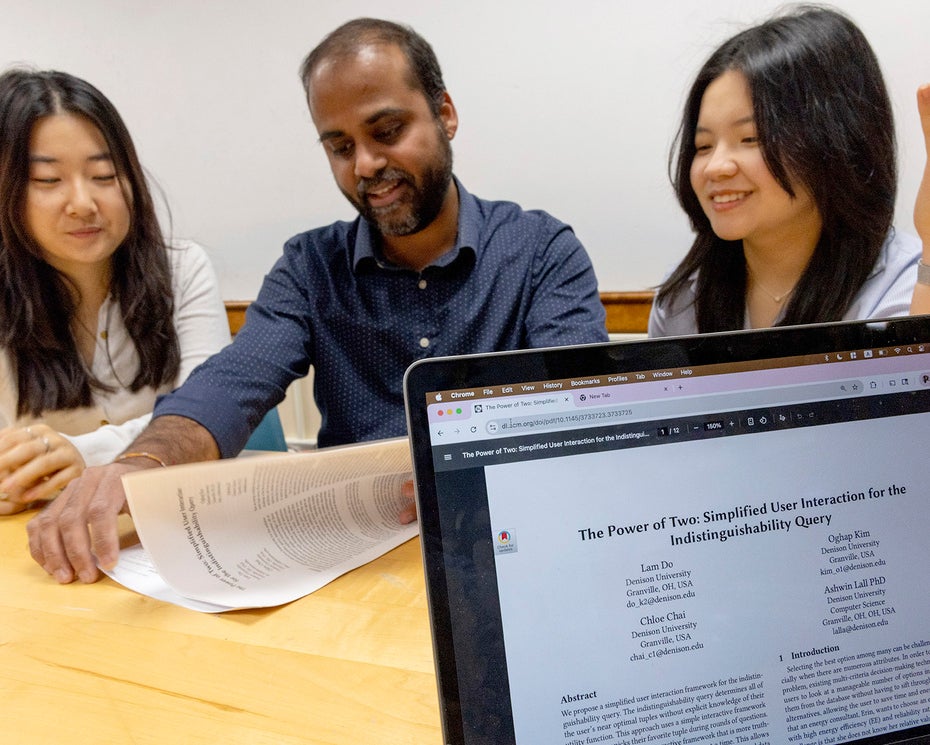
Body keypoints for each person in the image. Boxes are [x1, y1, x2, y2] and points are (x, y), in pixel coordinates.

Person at [27, 18, 608, 583]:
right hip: (356, 563)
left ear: (445, 114)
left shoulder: (539, 252)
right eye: (339, 146)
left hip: (506, 553)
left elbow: (575, 415)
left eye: (387, 132)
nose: (366, 165)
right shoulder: (310, 268)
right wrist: (141, 465)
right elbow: (230, 383)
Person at [0, 69, 230, 516]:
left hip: (180, 523)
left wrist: (86, 454)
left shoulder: (182, 270)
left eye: (104, 175)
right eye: (49, 181)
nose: (83, 202)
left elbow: (207, 412)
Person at [649, 6, 920, 336]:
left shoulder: (904, 287)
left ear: (834, 141)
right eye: (703, 145)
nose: (716, 167)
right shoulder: (682, 299)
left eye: (750, 138)